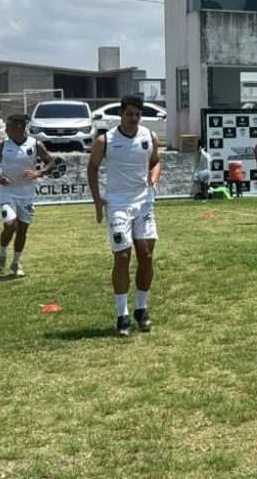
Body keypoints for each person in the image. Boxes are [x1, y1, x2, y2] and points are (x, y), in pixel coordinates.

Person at [88, 95, 163, 337]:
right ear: (121, 114)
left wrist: (154, 177)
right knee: (122, 256)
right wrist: (98, 201)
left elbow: (156, 162)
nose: (133, 119)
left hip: (144, 203)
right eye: (129, 114)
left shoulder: (149, 136)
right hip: (118, 204)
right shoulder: (105, 140)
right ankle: (122, 315)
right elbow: (92, 167)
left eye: (137, 115)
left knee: (146, 255)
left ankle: (142, 309)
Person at [0, 113, 55, 277]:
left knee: (22, 230)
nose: (5, 130)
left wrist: (39, 172)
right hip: (7, 193)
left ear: (19, 127)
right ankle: (2, 254)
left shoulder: (35, 144)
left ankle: (15, 263)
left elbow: (51, 162)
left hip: (27, 195)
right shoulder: (3, 144)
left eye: (8, 126)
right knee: (10, 225)